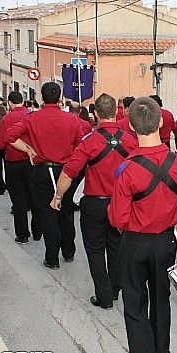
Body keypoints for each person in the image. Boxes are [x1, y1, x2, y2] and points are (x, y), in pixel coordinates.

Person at [108, 97, 177, 353]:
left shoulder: (126, 169)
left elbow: (117, 218)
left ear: (131, 126)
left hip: (134, 241)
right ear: (160, 122)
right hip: (165, 241)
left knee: (134, 303)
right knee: (161, 299)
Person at [51, 94, 137, 309]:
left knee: (95, 249)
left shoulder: (90, 141)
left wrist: (58, 197)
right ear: (115, 113)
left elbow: (69, 173)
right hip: (121, 202)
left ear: (96, 114)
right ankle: (115, 289)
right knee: (116, 247)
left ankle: (104, 295)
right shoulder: (130, 140)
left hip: (94, 203)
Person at [6, 82, 85, 268]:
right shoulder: (71, 119)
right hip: (65, 170)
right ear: (59, 98)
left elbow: (9, 136)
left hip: (42, 170)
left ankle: (52, 258)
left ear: (42, 97)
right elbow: (81, 144)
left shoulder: (32, 118)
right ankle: (68, 251)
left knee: (48, 214)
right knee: (66, 211)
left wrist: (29, 150)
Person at [0, 91, 42, 244]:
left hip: (13, 162)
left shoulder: (6, 119)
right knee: (35, 196)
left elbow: (1, 143)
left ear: (9, 103)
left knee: (18, 199)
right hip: (32, 162)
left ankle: (22, 234)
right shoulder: (33, 117)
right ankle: (37, 230)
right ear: (23, 101)